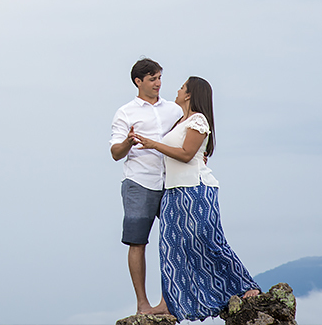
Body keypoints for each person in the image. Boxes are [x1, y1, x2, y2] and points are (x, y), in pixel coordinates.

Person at [132, 76, 259, 321]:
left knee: (209, 240)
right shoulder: (180, 120)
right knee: (172, 248)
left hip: (196, 188)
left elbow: (187, 154)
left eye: (181, 88)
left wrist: (153, 144)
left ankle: (245, 286)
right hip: (173, 191)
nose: (177, 90)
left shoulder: (199, 119)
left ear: (189, 94)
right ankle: (168, 303)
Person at [110, 58, 183, 316]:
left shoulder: (174, 110)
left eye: (159, 78)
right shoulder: (125, 112)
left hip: (172, 182)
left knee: (173, 240)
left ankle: (166, 302)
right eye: (152, 79)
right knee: (137, 242)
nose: (158, 83)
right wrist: (129, 142)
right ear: (138, 82)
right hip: (139, 182)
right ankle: (142, 304)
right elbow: (115, 153)